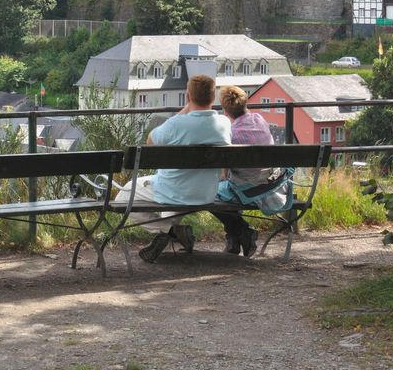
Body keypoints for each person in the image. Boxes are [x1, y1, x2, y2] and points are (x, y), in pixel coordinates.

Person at [114, 74, 231, 263]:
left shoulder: (176, 124)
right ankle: (174, 232)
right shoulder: (224, 124)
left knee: (124, 194)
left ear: (188, 96)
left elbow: (150, 141)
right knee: (174, 188)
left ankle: (169, 231)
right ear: (213, 98)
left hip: (174, 191)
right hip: (206, 193)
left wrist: (185, 110)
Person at [213, 85, 277, 258]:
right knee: (228, 188)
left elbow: (224, 174)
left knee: (210, 194)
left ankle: (242, 231)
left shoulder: (230, 134)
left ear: (225, 110)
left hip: (246, 189)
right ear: (245, 103)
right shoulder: (260, 120)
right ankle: (235, 240)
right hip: (269, 184)